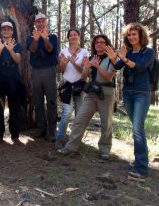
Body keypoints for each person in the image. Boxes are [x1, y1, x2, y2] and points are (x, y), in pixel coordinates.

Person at [105, 23, 154, 178]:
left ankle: (141, 168)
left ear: (141, 36)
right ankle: (139, 161)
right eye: (129, 35)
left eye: (134, 34)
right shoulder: (129, 52)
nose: (131, 37)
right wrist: (114, 59)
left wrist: (124, 58)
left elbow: (139, 67)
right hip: (128, 93)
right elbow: (118, 66)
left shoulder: (149, 52)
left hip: (141, 93)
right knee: (135, 128)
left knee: (138, 129)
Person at [58, 35, 116, 159]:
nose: (99, 44)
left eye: (102, 42)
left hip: (106, 93)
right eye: (96, 42)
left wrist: (97, 66)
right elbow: (84, 77)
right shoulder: (91, 58)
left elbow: (109, 77)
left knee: (106, 123)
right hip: (91, 93)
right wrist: (87, 67)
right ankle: (70, 147)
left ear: (107, 44)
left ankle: (104, 150)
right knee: (79, 120)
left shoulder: (111, 58)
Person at [55, 29, 89, 150]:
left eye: (75, 35)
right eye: (70, 35)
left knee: (79, 114)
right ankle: (60, 137)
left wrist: (74, 62)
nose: (73, 37)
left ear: (79, 37)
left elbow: (85, 71)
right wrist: (64, 62)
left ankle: (76, 139)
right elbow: (60, 69)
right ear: (68, 38)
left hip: (80, 86)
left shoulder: (85, 52)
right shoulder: (63, 51)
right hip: (67, 85)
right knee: (67, 112)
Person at [27, 12, 58, 142]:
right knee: (38, 102)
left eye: (42, 21)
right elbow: (32, 50)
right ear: (34, 23)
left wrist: (45, 38)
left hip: (50, 71)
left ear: (46, 22)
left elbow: (50, 49)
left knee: (51, 102)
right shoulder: (31, 37)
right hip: (36, 72)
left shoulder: (53, 37)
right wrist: (36, 39)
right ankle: (41, 129)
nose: (40, 23)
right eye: (38, 21)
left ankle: (51, 131)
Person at [0, 21, 22, 142]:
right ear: (1, 31)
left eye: (9, 29)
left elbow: (18, 60)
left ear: (12, 31)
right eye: (4, 29)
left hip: (13, 79)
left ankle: (15, 134)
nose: (6, 31)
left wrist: (11, 50)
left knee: (14, 107)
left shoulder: (16, 44)